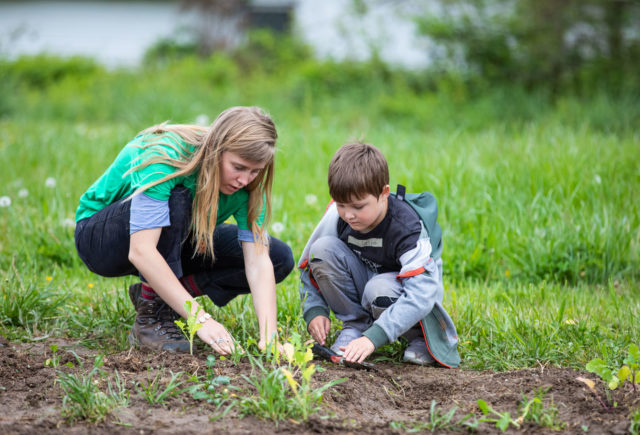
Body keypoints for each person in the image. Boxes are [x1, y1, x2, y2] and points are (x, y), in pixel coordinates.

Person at [74, 106, 294, 354]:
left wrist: (269, 337)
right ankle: (152, 318)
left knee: (278, 258)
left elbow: (257, 262)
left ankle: (161, 297)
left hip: (177, 236)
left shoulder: (249, 188)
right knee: (178, 199)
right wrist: (201, 319)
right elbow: (141, 251)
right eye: (239, 167)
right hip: (101, 240)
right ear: (216, 150)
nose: (245, 180)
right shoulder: (168, 157)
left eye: (255, 171)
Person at [298, 142, 459, 367]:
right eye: (342, 205)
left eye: (358, 206)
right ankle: (356, 327)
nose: (349, 215)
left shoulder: (407, 227)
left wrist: (375, 338)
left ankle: (420, 338)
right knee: (321, 249)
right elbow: (308, 265)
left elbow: (422, 293)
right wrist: (314, 310)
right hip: (369, 284)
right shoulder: (337, 215)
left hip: (405, 294)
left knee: (379, 289)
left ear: (384, 193)